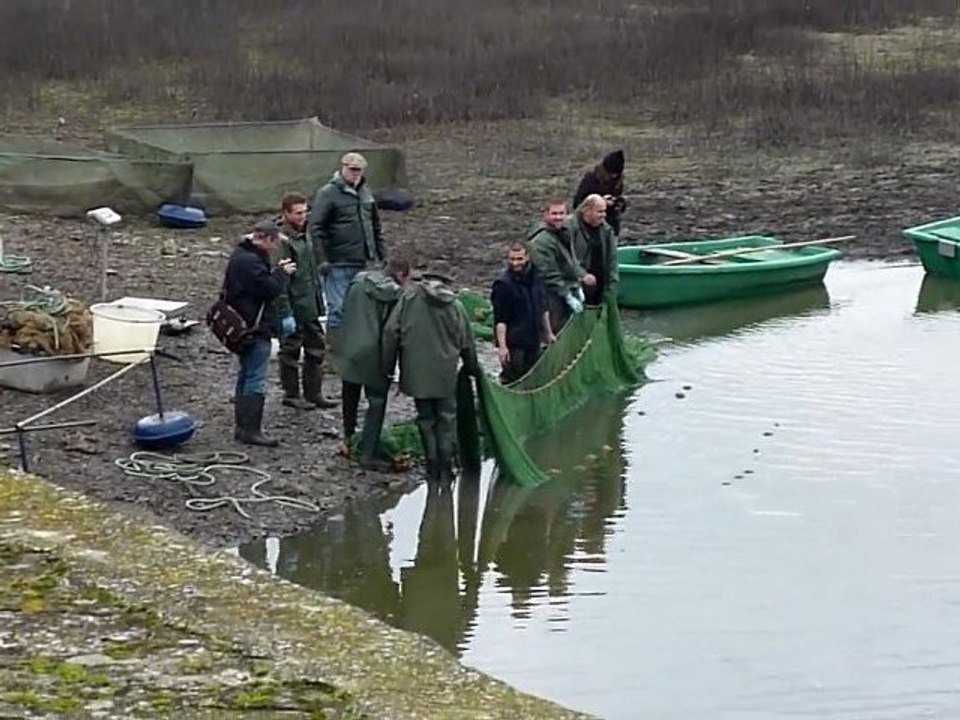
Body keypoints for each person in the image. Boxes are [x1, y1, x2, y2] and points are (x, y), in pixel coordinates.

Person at [382, 274, 480, 484]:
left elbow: (391, 332)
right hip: (445, 375)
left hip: (416, 373)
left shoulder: (408, 300)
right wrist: (472, 369)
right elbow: (467, 343)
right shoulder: (456, 306)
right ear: (448, 283)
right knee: (446, 420)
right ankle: (447, 469)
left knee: (425, 419)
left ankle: (432, 469)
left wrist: (388, 367)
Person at [222, 219, 298, 446]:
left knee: (246, 374)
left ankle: (243, 427)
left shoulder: (241, 255)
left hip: (242, 325)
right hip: (253, 327)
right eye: (274, 243)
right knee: (255, 378)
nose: (275, 248)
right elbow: (269, 289)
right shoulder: (251, 262)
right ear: (266, 239)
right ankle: (250, 430)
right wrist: (282, 274)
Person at [306, 151, 386, 366]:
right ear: (343, 168)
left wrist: (381, 253)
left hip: (362, 261)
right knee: (338, 308)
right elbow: (316, 228)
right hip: (336, 261)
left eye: (359, 170)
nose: (355, 174)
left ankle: (353, 350)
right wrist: (322, 258)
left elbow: (375, 226)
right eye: (352, 170)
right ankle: (335, 354)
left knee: (359, 308)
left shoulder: (366, 193)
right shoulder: (328, 194)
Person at [339, 255, 413, 472]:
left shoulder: (358, 281)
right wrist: (392, 365)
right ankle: (367, 455)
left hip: (349, 348)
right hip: (374, 354)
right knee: (377, 402)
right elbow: (392, 331)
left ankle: (349, 440)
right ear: (400, 274)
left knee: (349, 394)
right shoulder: (394, 295)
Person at [273, 191, 335, 410]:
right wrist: (285, 311)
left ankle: (314, 392)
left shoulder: (304, 233)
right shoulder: (282, 240)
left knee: (316, 347)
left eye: (305, 212)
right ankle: (291, 394)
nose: (303, 216)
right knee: (290, 350)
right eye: (298, 213)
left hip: (309, 301)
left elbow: (308, 271)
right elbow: (282, 279)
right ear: (286, 213)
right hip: (294, 303)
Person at [528, 200, 597, 333]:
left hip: (565, 287)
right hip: (549, 294)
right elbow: (548, 273)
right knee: (555, 331)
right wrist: (567, 295)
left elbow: (570, 260)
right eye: (554, 214)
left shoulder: (564, 232)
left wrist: (580, 278)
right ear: (545, 215)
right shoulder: (541, 241)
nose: (558, 217)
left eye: (562, 213)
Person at [490, 241, 554, 384]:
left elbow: (543, 307)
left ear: (527, 258)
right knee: (514, 379)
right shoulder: (503, 285)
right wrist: (502, 347)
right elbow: (500, 319)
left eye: (519, 259)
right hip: (514, 343)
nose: (515, 263)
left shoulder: (537, 277)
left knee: (535, 377)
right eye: (512, 259)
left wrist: (548, 333)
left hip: (534, 339)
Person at [566, 194, 619, 306]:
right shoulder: (569, 227)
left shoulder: (606, 230)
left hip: (600, 283)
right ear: (586, 210)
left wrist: (612, 285)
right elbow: (565, 256)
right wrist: (582, 274)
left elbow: (612, 259)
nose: (603, 215)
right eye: (599, 212)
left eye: (604, 211)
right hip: (577, 284)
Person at [572, 149, 627, 237]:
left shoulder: (618, 182)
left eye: (616, 174)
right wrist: (600, 201)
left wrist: (618, 203)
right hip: (590, 226)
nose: (614, 176)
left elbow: (618, 200)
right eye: (611, 173)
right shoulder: (591, 179)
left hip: (610, 224)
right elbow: (578, 203)